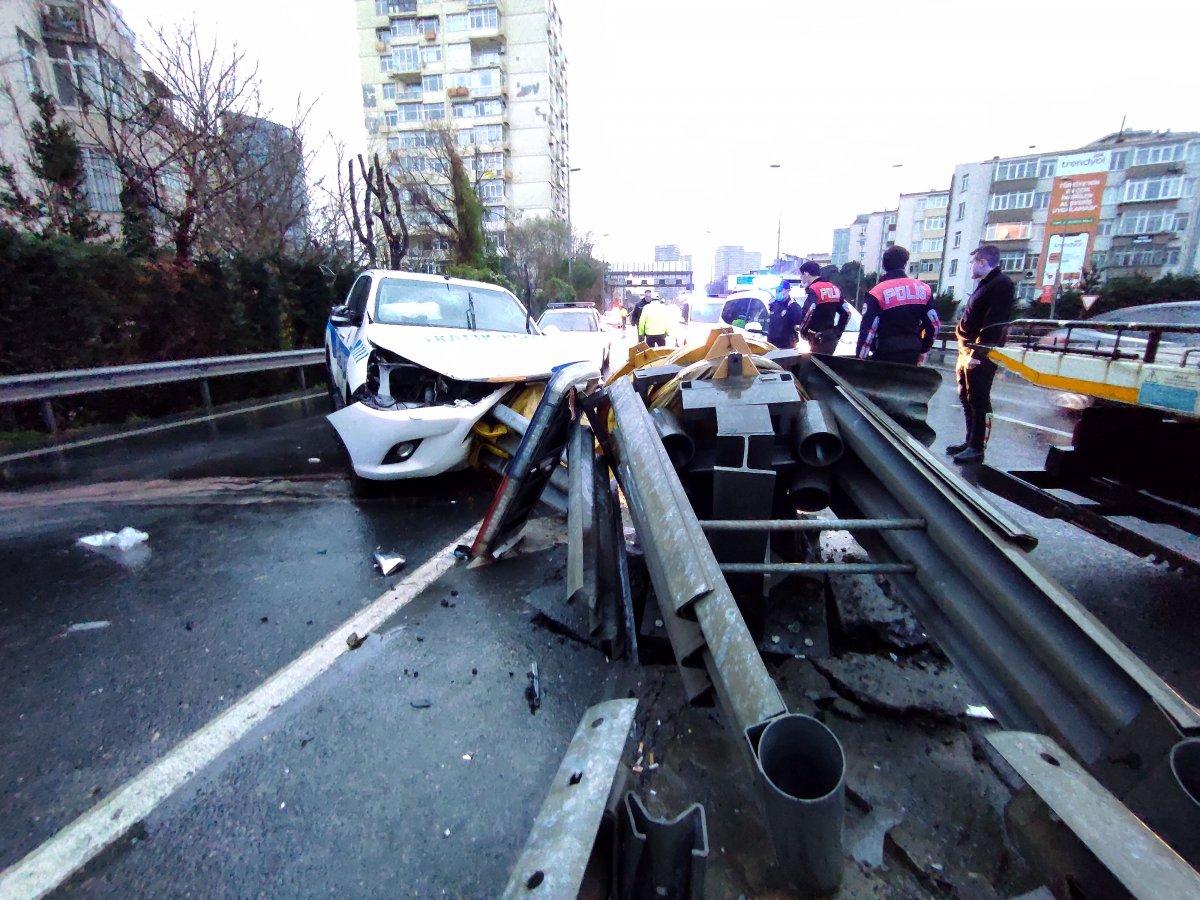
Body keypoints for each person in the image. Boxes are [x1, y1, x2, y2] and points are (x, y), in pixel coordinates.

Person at [947, 244, 1015, 465]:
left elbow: (994, 322)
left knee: (979, 399)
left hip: (980, 353)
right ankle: (969, 441)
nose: (971, 266)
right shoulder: (985, 285)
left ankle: (977, 447)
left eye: (973, 261)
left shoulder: (1001, 284)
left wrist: (979, 353)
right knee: (966, 396)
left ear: (983, 262)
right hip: (967, 350)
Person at [856, 245, 941, 365]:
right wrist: (924, 349)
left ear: (884, 265)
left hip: (885, 355)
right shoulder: (923, 289)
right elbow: (935, 325)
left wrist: (859, 361)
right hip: (912, 353)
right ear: (905, 264)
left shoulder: (877, 292)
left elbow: (868, 331)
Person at [796, 261, 851, 355]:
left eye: (801, 275)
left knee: (814, 367)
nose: (801, 278)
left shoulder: (813, 289)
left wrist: (803, 331)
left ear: (806, 273)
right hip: (830, 338)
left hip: (817, 338)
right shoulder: (834, 288)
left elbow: (808, 312)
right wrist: (838, 332)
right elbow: (846, 312)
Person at [766, 279, 806, 349]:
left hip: (787, 346)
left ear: (787, 291)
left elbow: (800, 325)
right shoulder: (772, 304)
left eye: (780, 290)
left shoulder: (793, 306)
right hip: (771, 344)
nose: (777, 292)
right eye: (776, 290)